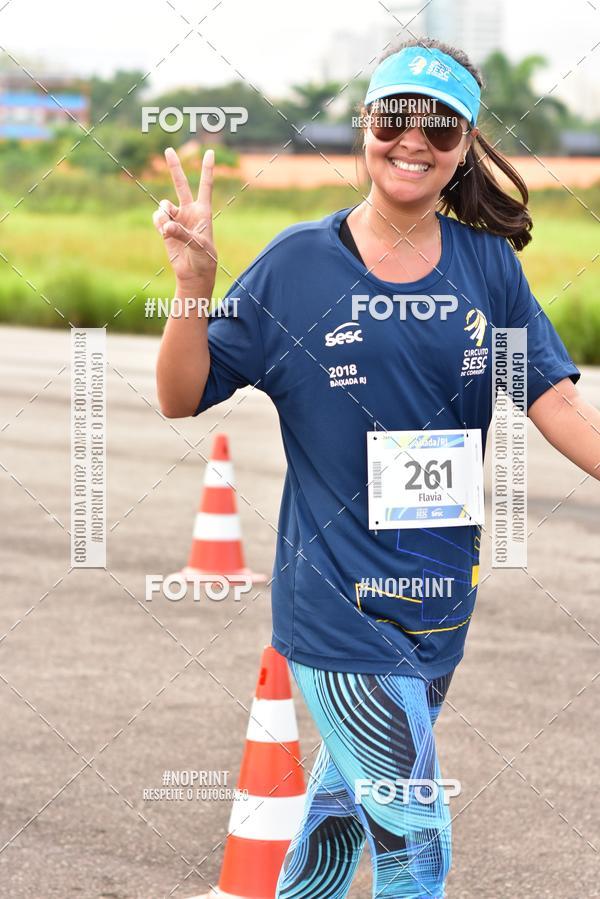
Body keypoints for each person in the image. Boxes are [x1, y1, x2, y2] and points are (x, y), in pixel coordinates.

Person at [154, 37, 600, 899]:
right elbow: (182, 393)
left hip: (439, 606)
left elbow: (559, 403)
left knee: (334, 829)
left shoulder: (487, 269)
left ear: (464, 145)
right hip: (337, 608)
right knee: (415, 843)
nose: (414, 140)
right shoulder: (296, 266)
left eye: (440, 126)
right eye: (396, 117)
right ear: (365, 128)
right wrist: (193, 284)